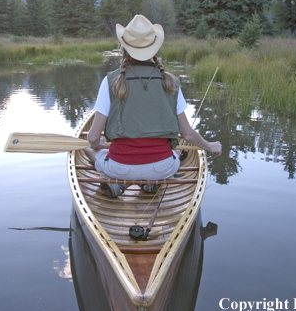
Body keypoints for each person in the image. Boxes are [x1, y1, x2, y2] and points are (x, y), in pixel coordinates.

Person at [84, 15, 222, 198]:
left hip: (119, 168)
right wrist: (209, 146)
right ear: (155, 47)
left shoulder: (111, 81)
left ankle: (116, 183)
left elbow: (93, 137)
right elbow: (187, 135)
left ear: (124, 47)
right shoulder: (171, 82)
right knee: (174, 152)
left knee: (86, 148)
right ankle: (149, 183)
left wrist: (98, 144)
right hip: (162, 168)